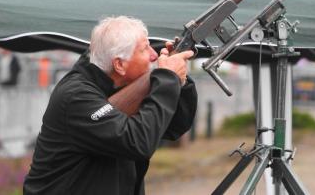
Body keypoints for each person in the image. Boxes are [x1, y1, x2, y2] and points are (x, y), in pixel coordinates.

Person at [23, 16, 197, 195]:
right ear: (119, 65)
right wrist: (167, 79)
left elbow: (173, 127)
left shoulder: (118, 83)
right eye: (145, 49)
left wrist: (179, 81)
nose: (154, 55)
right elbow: (138, 142)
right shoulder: (76, 96)